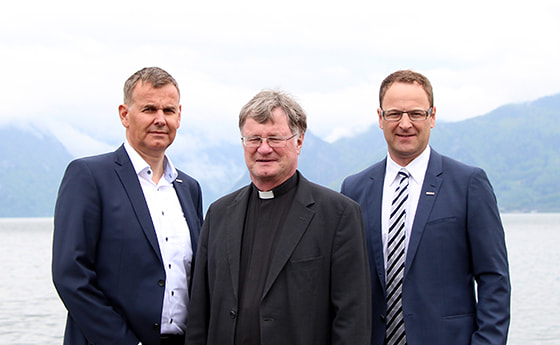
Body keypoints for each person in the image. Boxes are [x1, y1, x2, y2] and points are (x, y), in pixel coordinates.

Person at [186, 90, 371, 345]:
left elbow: (352, 319)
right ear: (243, 143)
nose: (264, 149)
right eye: (254, 139)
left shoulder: (338, 215)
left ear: (299, 141)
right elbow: (199, 314)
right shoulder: (219, 214)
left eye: (275, 138)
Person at [341, 69, 511, 345]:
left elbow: (494, 279)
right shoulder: (354, 189)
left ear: (432, 117)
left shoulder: (468, 184)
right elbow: (344, 283)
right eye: (394, 113)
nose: (405, 123)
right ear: (380, 118)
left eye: (416, 114)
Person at [52, 67, 203, 345]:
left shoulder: (189, 188)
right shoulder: (89, 176)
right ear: (125, 114)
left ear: (179, 116)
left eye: (168, 111)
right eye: (149, 109)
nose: (160, 119)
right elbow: (71, 275)